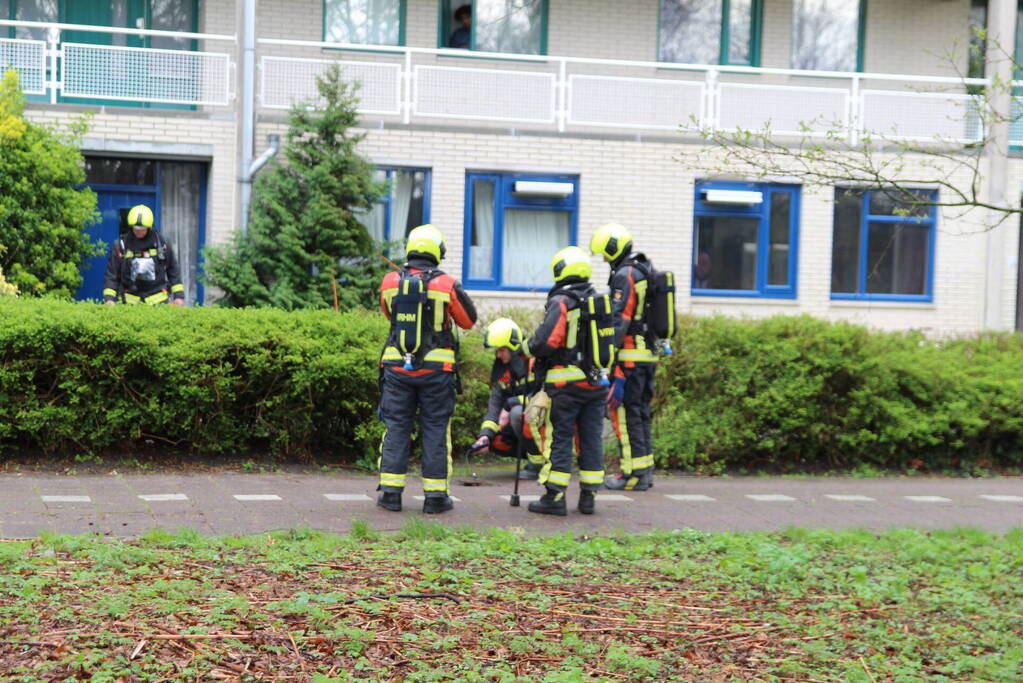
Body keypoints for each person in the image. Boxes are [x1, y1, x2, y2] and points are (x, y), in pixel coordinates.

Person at [377, 224, 477, 514]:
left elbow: (389, 315)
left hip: (397, 367)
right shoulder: (447, 284)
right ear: (438, 252)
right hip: (437, 371)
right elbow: (468, 321)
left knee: (396, 428)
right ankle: (435, 498)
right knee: (435, 430)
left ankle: (390, 495)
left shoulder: (389, 281)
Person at [522, 246, 606, 516]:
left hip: (564, 385)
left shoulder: (563, 300)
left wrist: (525, 347)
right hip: (595, 383)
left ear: (560, 270)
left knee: (560, 438)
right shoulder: (597, 301)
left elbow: (546, 341)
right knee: (591, 439)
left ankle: (554, 498)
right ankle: (588, 498)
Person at [590, 222, 657, 491]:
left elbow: (621, 319)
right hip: (646, 354)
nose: (605, 259)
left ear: (613, 247)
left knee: (626, 417)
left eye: (605, 253)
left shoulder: (625, 274)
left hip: (630, 356)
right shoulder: (643, 270)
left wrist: (606, 356)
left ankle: (631, 474)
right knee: (640, 414)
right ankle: (645, 471)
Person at [469, 318, 543, 480]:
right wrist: (485, 436)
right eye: (496, 351)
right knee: (496, 440)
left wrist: (511, 404)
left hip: (544, 422)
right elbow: (494, 407)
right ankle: (532, 457)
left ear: (514, 347)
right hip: (527, 424)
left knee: (517, 413)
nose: (498, 355)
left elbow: (543, 397)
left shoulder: (534, 364)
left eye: (502, 350)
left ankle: (539, 464)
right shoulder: (503, 372)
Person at [102, 204, 186, 306]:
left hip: (158, 303)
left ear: (149, 227)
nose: (139, 232)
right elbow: (112, 274)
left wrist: (179, 296)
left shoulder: (162, 244)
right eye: (136, 229)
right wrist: (109, 299)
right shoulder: (121, 246)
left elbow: (173, 271)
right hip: (129, 303)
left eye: (142, 229)